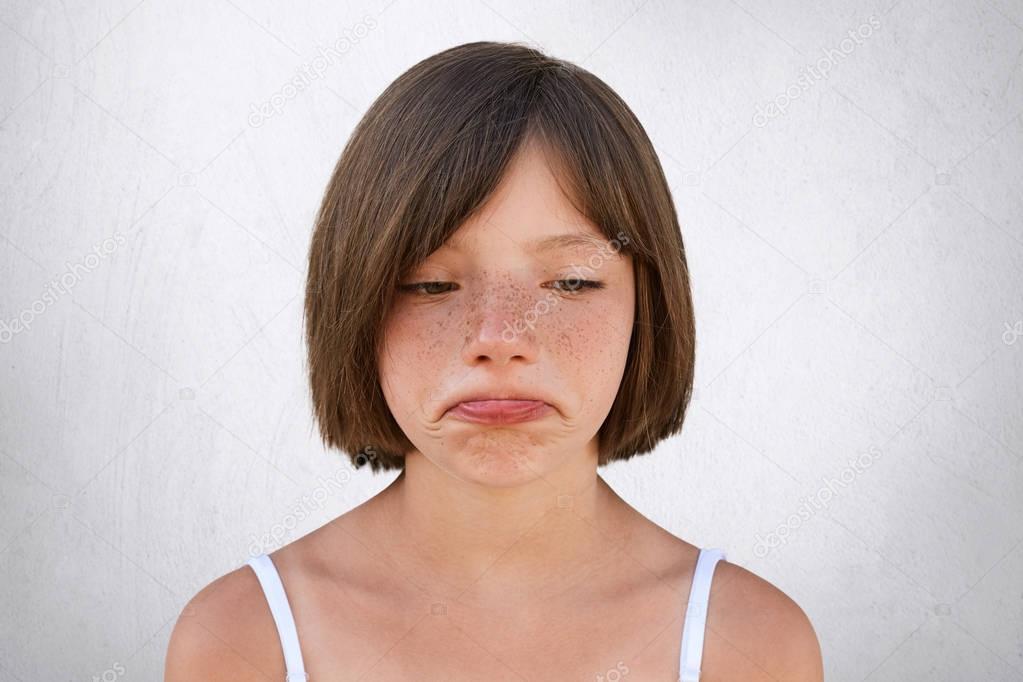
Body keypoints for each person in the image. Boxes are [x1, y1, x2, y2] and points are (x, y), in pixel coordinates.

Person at [165, 41, 823, 681]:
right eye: (430, 284)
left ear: (647, 309)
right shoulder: (243, 638)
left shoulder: (748, 645)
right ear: (353, 304)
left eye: (570, 281)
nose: (500, 335)